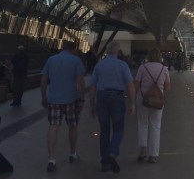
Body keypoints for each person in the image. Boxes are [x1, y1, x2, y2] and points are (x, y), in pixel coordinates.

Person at [89, 41, 136, 173]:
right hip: (117, 97)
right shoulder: (123, 65)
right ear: (118, 51)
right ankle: (112, 152)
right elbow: (130, 85)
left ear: (107, 51)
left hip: (102, 97)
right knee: (118, 128)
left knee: (104, 130)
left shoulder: (99, 65)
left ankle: (104, 162)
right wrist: (132, 103)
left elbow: (92, 87)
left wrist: (91, 104)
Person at [40, 41, 86, 173]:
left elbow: (43, 80)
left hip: (54, 99)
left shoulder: (51, 59)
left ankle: (51, 159)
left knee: (53, 126)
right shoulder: (76, 60)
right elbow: (80, 81)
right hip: (71, 99)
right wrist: (81, 99)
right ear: (73, 49)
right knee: (73, 125)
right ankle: (72, 154)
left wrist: (44, 97)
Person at [134, 48, 171, 164]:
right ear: (159, 56)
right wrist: (163, 96)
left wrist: (133, 99)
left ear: (148, 56)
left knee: (143, 123)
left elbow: (136, 84)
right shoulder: (164, 69)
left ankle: (142, 151)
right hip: (158, 100)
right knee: (156, 125)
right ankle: (153, 155)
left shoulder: (142, 67)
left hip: (143, 99)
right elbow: (168, 87)